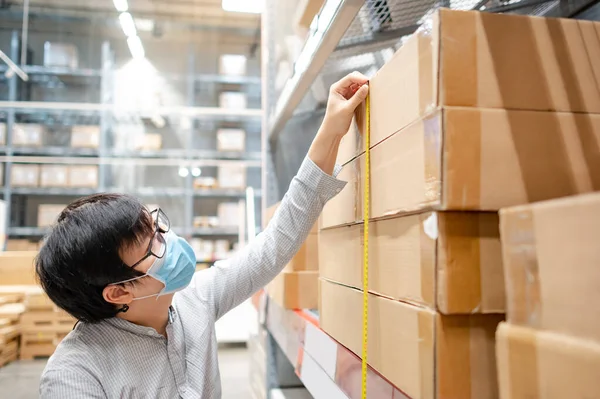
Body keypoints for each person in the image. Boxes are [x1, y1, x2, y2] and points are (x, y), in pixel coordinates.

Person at [36, 71, 369, 398]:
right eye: (153, 246)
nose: (170, 242)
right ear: (118, 293)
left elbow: (275, 243)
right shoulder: (75, 375)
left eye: (158, 228)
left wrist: (331, 130)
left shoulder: (194, 301)